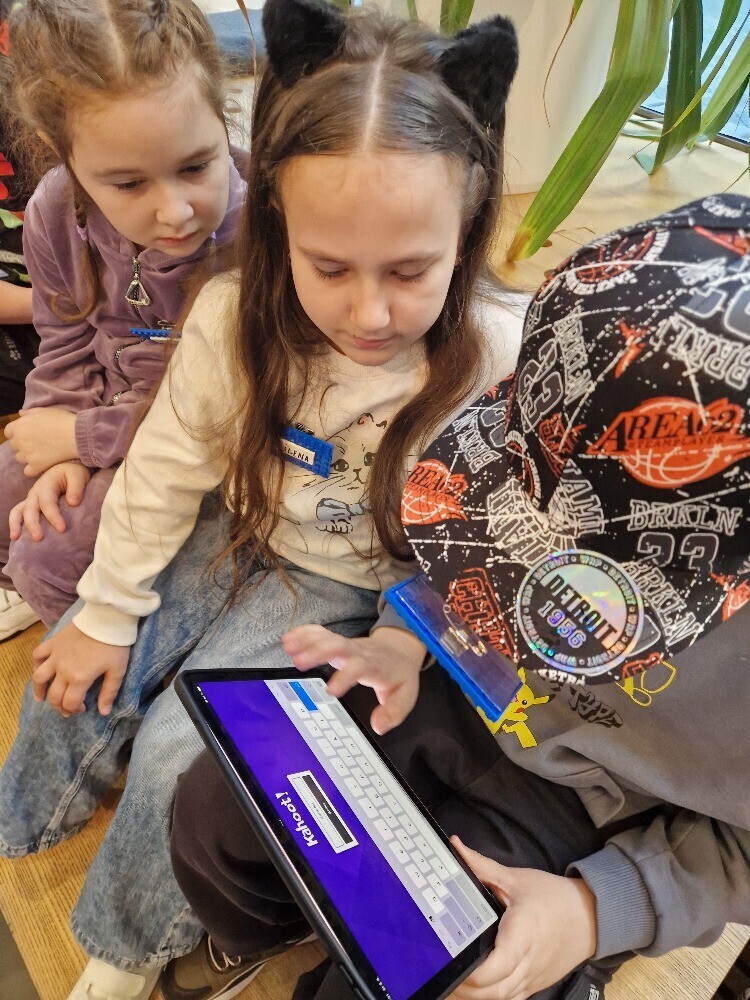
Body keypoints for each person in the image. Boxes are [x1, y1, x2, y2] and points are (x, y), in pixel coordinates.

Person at [0, 0, 524, 998]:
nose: (369, 312)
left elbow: (494, 546)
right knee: (71, 657)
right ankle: (24, 820)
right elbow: (163, 469)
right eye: (329, 267)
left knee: (179, 752)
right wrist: (106, 611)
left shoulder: (495, 359)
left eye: (410, 270)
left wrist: (406, 639)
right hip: (235, 525)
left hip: (352, 585)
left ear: (466, 229)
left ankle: (125, 947)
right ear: (278, 224)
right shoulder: (233, 313)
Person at [167, 193, 750, 1000]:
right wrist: (404, 637)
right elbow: (468, 555)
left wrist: (595, 911)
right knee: (220, 803)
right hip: (457, 693)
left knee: (449, 976)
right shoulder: (560, 399)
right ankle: (273, 931)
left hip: (605, 824)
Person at [0, 0, 246, 642]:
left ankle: (117, 670)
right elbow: (62, 340)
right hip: (102, 413)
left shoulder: (260, 231)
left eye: (196, 166)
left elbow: (228, 410)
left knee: (47, 557)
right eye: (129, 184)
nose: (176, 212)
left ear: (221, 119)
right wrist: (57, 439)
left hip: (196, 449)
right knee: (13, 500)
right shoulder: (53, 211)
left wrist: (83, 440)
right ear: (64, 159)